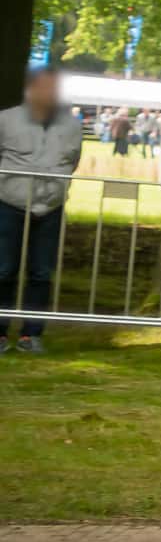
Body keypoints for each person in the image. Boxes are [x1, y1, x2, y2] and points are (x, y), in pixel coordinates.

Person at [0, 67, 85, 354]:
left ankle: (31, 335)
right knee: (3, 270)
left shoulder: (73, 125)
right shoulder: (6, 119)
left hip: (51, 207)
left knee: (41, 273)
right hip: (8, 205)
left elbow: (73, 160)